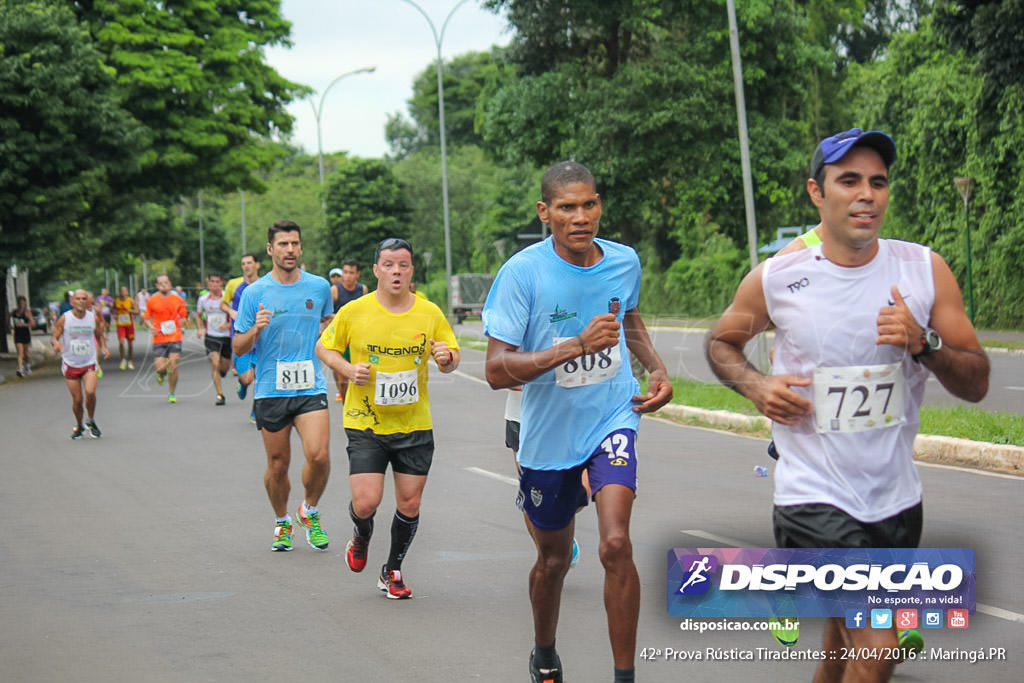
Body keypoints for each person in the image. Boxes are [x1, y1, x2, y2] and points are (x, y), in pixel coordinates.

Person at [705, 128, 990, 683]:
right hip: (812, 496)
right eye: (850, 181)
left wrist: (923, 342)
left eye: (878, 183)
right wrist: (757, 386)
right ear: (817, 192)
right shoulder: (778, 278)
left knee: (841, 643)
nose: (867, 194)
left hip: (896, 500)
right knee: (880, 647)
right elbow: (721, 344)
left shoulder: (924, 271)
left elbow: (976, 380)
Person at [482, 161, 673, 683]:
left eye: (589, 204)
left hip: (613, 417)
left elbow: (628, 318)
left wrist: (655, 367)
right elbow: (496, 369)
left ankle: (624, 676)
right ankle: (544, 649)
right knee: (553, 561)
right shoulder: (522, 273)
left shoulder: (623, 261)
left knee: (616, 543)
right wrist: (573, 347)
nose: (580, 216)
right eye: (567, 207)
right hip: (547, 436)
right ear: (545, 213)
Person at [317, 237, 460, 599]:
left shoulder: (429, 313)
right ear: (376, 270)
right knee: (366, 502)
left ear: (412, 270)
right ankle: (362, 534)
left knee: (409, 504)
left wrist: (446, 358)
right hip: (365, 421)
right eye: (389, 265)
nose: (396, 271)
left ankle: (392, 569)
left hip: (413, 424)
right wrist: (347, 369)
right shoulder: (355, 311)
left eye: (404, 265)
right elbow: (324, 346)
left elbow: (450, 356)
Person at [233, 221, 334, 552]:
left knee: (318, 456)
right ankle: (281, 522)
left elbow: (327, 327)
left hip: (309, 386)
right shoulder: (254, 294)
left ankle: (310, 510)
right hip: (270, 389)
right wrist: (257, 330)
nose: (290, 249)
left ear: (301, 248)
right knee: (278, 465)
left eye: (295, 244)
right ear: (270, 250)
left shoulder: (319, 288)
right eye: (283, 244)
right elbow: (238, 346)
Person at [51, 289, 109, 438]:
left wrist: (103, 347)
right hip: (70, 363)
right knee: (77, 400)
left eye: (84, 299)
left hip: (88, 362)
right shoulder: (65, 319)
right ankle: (79, 425)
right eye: (78, 299)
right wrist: (56, 344)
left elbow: (99, 334)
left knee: (90, 392)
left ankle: (90, 420)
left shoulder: (93, 318)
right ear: (72, 302)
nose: (81, 301)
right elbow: (55, 336)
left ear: (88, 302)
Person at [223, 252, 262, 415]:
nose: (246, 266)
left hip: (261, 339)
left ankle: (256, 410)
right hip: (241, 337)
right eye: (243, 263)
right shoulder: (234, 284)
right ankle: (243, 384)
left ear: (257, 265)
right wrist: (231, 311)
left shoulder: (265, 284)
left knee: (261, 378)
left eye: (249, 263)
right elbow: (223, 303)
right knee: (247, 377)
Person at [328, 259, 369, 402]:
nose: (348, 276)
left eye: (351, 273)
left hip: (358, 337)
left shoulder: (362, 289)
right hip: (341, 337)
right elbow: (326, 314)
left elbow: (366, 313)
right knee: (342, 379)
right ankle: (346, 404)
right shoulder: (335, 290)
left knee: (362, 372)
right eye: (345, 272)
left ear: (357, 274)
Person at [144, 275, 188, 403]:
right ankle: (161, 373)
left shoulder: (177, 299)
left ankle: (172, 392)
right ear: (157, 286)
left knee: (174, 365)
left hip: (175, 336)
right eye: (161, 283)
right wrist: (151, 327)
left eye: (166, 282)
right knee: (160, 368)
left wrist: (182, 322)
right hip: (159, 338)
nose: (164, 285)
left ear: (170, 284)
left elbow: (184, 316)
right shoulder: (152, 300)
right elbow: (146, 318)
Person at [195, 273, 232, 405]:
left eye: (217, 282)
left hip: (226, 336)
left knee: (224, 367)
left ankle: (223, 372)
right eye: (212, 282)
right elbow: (198, 315)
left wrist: (227, 325)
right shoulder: (203, 299)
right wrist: (200, 329)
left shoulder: (227, 298)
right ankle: (220, 394)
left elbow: (235, 314)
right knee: (215, 363)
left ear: (221, 283)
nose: (215, 285)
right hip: (211, 336)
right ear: (208, 283)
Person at [113, 286, 138, 370]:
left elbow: (136, 311)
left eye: (125, 291)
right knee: (121, 342)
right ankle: (123, 359)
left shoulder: (130, 300)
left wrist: (130, 310)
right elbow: (113, 309)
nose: (123, 292)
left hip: (129, 324)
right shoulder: (116, 301)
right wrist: (115, 314)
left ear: (127, 292)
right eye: (122, 291)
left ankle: (130, 360)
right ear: (120, 292)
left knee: (130, 344)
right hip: (120, 324)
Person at [10, 295, 35, 377]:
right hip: (17, 334)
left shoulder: (27, 312)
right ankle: (20, 369)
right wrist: (10, 326)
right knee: (19, 353)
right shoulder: (14, 312)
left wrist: (24, 325)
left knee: (26, 353)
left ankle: (27, 365)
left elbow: (32, 323)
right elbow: (7, 318)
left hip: (25, 334)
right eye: (20, 303)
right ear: (18, 303)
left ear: (25, 303)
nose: (21, 305)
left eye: (23, 303)